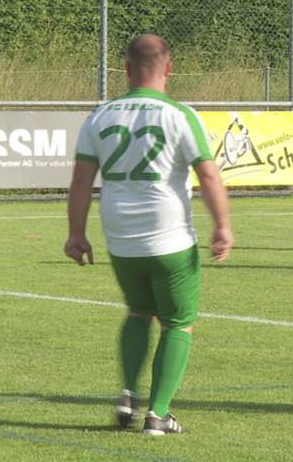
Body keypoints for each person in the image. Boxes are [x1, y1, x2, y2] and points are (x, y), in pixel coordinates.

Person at [65, 34, 233, 436]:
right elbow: (207, 173)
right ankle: (158, 415)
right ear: (169, 68)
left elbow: (81, 180)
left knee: (139, 312)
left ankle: (127, 394)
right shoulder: (179, 114)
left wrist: (76, 233)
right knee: (178, 323)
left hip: (121, 238)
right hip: (170, 235)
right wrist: (223, 225)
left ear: (125, 69)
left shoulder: (100, 116)